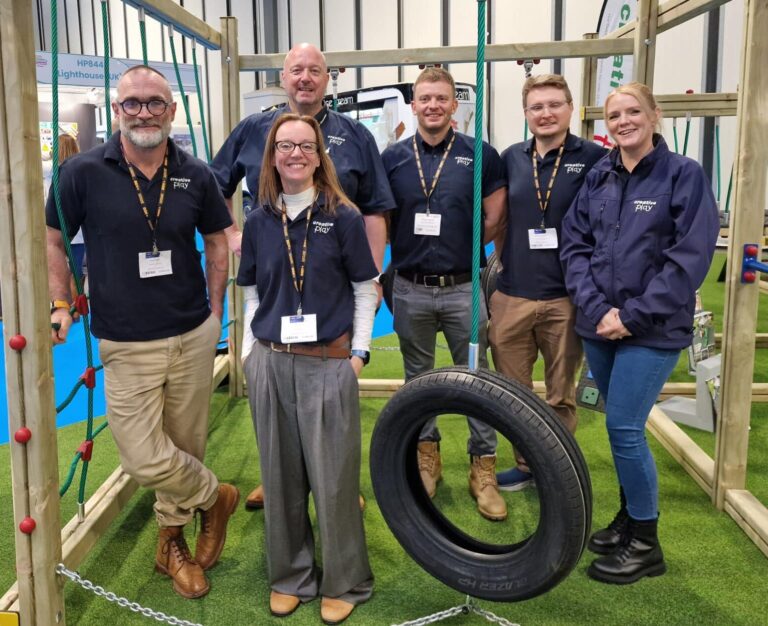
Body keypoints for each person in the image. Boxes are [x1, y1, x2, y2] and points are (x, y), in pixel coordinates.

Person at [46, 65, 239, 599]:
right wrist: (60, 302)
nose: (144, 112)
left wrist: (214, 314)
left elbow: (218, 244)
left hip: (191, 332)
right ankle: (214, 497)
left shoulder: (196, 173)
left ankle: (170, 544)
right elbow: (53, 241)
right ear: (117, 111)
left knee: (185, 442)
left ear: (171, 111)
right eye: (132, 103)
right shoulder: (82, 172)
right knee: (142, 456)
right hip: (125, 341)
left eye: (155, 102)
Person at [212, 42, 394, 511]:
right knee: (273, 393)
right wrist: (235, 235)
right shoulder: (253, 130)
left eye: (314, 70)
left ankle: (336, 485)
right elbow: (214, 185)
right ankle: (277, 481)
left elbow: (374, 210)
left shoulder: (355, 136)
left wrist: (370, 277)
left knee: (333, 400)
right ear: (284, 76)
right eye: (296, 70)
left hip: (331, 286)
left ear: (327, 79)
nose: (305, 79)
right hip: (272, 287)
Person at [560, 82, 719, 584]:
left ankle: (646, 544)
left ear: (654, 115)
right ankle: (629, 519)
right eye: (614, 115)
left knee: (625, 428)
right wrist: (597, 308)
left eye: (633, 111)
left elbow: (687, 259)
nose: (623, 121)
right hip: (598, 325)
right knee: (620, 426)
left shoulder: (683, 175)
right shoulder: (599, 176)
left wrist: (631, 316)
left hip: (652, 330)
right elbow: (574, 245)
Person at [237, 113, 377, 623]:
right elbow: (252, 290)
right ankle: (292, 576)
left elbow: (366, 288)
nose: (295, 154)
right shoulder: (257, 220)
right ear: (272, 155)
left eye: (306, 146)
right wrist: (253, 351)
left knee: (335, 481)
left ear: (319, 156)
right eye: (285, 146)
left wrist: (359, 353)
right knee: (279, 477)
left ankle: (346, 580)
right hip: (272, 362)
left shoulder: (343, 216)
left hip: (327, 363)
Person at [381, 67, 508, 521]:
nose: (432, 105)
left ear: (456, 105)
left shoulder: (480, 155)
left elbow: (494, 216)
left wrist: (461, 247)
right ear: (412, 105)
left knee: (478, 377)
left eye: (441, 98)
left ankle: (483, 467)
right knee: (418, 377)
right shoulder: (393, 157)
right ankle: (427, 455)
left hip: (462, 288)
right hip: (411, 286)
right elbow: (384, 220)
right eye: (424, 98)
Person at [489, 75, 607, 491]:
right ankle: (525, 465)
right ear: (525, 114)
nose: (545, 113)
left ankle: (555, 472)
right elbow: (498, 217)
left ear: (570, 108)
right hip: (513, 294)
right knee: (514, 393)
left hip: (566, 298)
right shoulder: (510, 157)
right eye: (536, 107)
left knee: (561, 394)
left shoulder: (593, 157)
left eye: (554, 104)